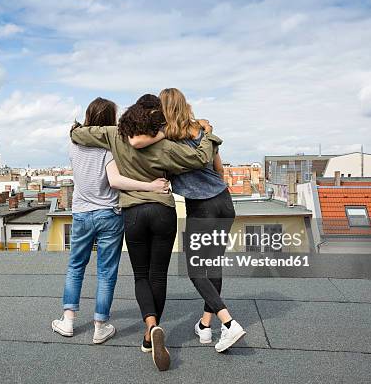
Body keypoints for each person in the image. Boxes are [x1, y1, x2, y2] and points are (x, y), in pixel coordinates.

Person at [70, 94, 222, 370]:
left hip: (133, 214)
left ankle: (150, 326)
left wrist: (75, 128)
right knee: (157, 275)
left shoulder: (114, 134)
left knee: (141, 275)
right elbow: (201, 158)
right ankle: (150, 337)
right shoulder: (165, 145)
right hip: (163, 212)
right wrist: (209, 134)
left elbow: (81, 135)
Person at [128, 88, 246, 353]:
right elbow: (219, 169)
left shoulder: (163, 137)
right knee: (213, 266)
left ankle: (228, 323)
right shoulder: (202, 131)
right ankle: (205, 326)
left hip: (201, 208)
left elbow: (138, 145)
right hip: (224, 202)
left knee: (196, 271)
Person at [52, 97, 170, 345]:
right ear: (108, 119)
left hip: (82, 212)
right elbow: (115, 181)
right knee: (106, 272)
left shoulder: (74, 143)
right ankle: (100, 325)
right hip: (109, 214)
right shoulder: (109, 146)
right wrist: (150, 186)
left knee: (76, 267)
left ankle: (68, 320)